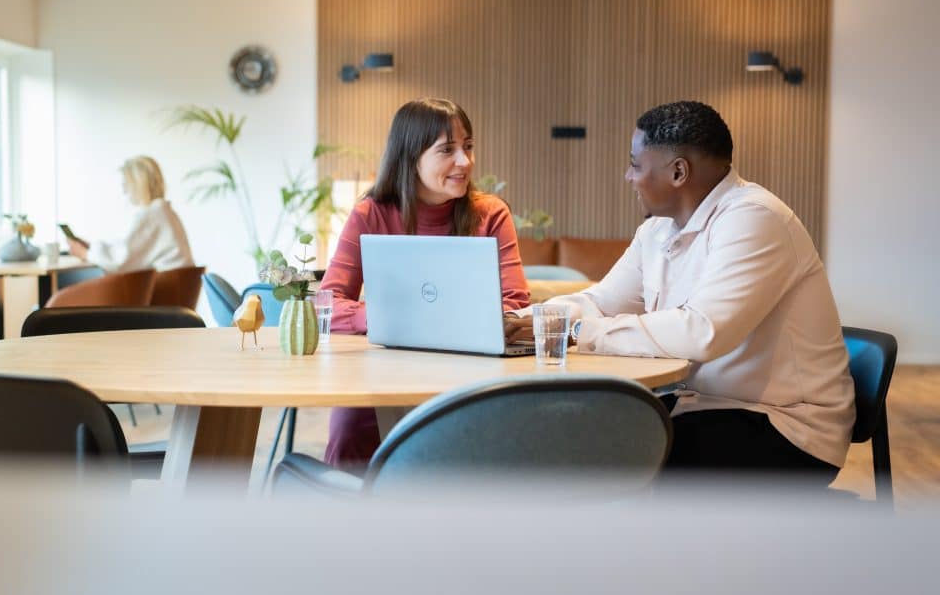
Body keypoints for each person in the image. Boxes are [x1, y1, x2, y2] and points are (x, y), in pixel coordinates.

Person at [505, 101, 855, 484]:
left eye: (636, 165)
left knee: (606, 462)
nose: (628, 177)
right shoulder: (656, 231)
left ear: (678, 171)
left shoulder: (755, 219)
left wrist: (578, 334)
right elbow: (600, 301)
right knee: (569, 438)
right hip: (699, 405)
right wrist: (523, 320)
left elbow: (702, 332)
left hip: (785, 426)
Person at [321, 97, 530, 471]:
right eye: (447, 150)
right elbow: (327, 302)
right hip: (381, 374)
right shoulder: (371, 213)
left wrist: (424, 322)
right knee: (350, 429)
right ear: (410, 156)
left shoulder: (491, 214)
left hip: (472, 375)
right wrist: (385, 318)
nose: (465, 161)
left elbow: (515, 304)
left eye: (468, 147)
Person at [68, 156, 194, 272]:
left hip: (162, 290)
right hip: (177, 291)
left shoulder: (150, 216)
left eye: (126, 184)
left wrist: (85, 253)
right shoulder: (165, 213)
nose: (124, 191)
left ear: (137, 184)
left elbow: (119, 261)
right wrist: (92, 247)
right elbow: (130, 249)